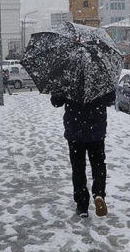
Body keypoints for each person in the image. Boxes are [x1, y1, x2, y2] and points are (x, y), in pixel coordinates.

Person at [50, 90, 115, 218]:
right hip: (96, 130)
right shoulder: (99, 76)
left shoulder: (68, 76)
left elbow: (56, 102)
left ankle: (82, 205)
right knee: (98, 164)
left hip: (75, 131)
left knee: (78, 168)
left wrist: (59, 90)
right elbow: (110, 99)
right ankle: (99, 194)